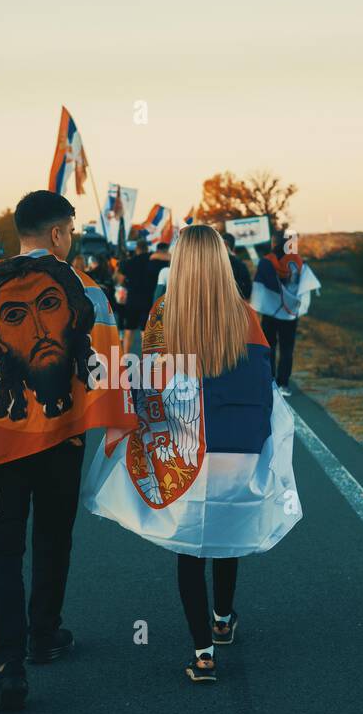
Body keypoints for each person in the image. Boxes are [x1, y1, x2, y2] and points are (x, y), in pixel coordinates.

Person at [0, 190, 134, 713]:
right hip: (63, 439)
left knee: (1, 548)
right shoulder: (84, 288)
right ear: (60, 233)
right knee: (53, 536)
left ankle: (8, 664)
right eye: (72, 232)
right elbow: (108, 366)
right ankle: (44, 634)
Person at [83, 224, 302, 683]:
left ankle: (202, 654)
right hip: (236, 451)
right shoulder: (245, 315)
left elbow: (153, 390)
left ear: (178, 264)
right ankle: (224, 619)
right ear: (222, 262)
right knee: (225, 533)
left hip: (187, 451)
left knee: (189, 548)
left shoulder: (163, 314)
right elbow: (261, 389)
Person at [250, 230, 321, 396]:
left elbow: (260, 286)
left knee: (269, 346)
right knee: (287, 348)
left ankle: (270, 380)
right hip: (290, 314)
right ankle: (284, 383)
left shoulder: (266, 262)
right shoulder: (298, 262)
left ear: (274, 243)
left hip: (270, 312)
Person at [117, 236, 153, 352]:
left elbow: (120, 280)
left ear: (137, 249)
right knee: (145, 330)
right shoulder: (151, 261)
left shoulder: (129, 262)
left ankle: (125, 355)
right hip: (148, 300)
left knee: (129, 329)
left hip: (132, 300)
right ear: (147, 249)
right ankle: (146, 358)